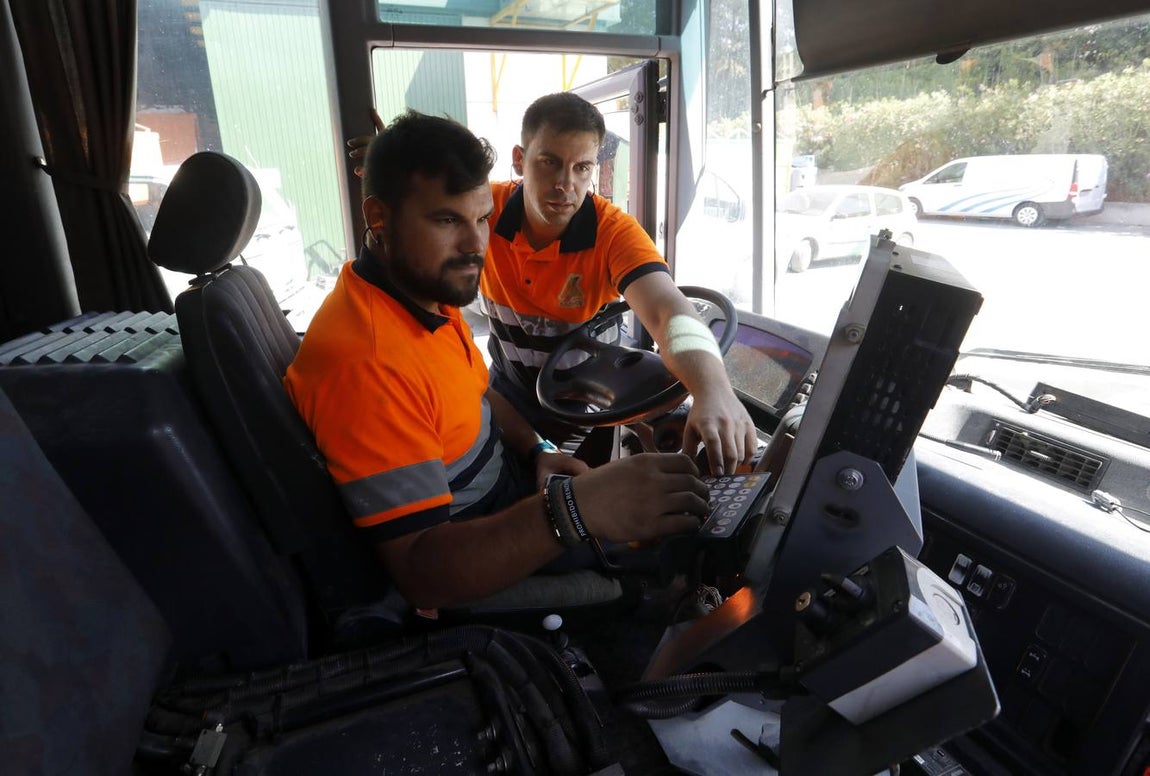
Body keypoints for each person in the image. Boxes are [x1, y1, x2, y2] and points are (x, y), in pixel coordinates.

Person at [286, 111, 710, 610]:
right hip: (478, 547)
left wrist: (538, 450)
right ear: (379, 219)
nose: (476, 247)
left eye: (483, 218)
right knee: (672, 566)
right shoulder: (370, 364)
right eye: (447, 220)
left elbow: (479, 392)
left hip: (516, 485)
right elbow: (425, 576)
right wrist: (575, 510)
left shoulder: (420, 294)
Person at [350, 94, 757, 476]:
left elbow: (668, 310)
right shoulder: (482, 212)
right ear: (519, 159)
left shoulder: (613, 232)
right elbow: (423, 208)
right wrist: (399, 177)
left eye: (582, 167)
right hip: (507, 392)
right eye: (549, 163)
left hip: (589, 403)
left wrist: (713, 388)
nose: (566, 184)